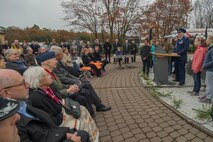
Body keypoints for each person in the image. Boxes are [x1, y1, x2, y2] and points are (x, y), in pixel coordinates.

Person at [0, 69, 89, 142]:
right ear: (6, 93)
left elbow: (45, 128)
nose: (28, 85)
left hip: (54, 132)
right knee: (83, 133)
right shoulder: (9, 118)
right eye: (22, 83)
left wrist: (63, 134)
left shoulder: (23, 104)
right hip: (57, 126)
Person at [24, 66, 99, 142]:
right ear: (39, 80)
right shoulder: (35, 97)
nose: (50, 75)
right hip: (58, 123)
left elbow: (59, 98)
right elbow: (48, 120)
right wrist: (63, 113)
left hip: (61, 112)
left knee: (82, 109)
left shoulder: (48, 88)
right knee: (81, 121)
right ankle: (90, 137)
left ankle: (94, 137)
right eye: (46, 75)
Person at [50, 46, 111, 112]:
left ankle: (97, 104)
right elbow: (63, 79)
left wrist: (77, 79)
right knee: (86, 85)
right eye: (61, 53)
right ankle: (98, 105)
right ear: (57, 55)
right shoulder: (55, 65)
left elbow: (68, 74)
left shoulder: (60, 62)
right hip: (67, 85)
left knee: (86, 83)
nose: (63, 55)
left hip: (70, 81)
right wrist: (76, 81)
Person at [199, 35, 213, 103]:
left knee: (209, 84)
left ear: (211, 40)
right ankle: (207, 95)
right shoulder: (210, 48)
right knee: (208, 84)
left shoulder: (212, 49)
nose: (206, 41)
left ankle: (208, 98)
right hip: (209, 69)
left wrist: (205, 65)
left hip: (210, 70)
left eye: (207, 39)